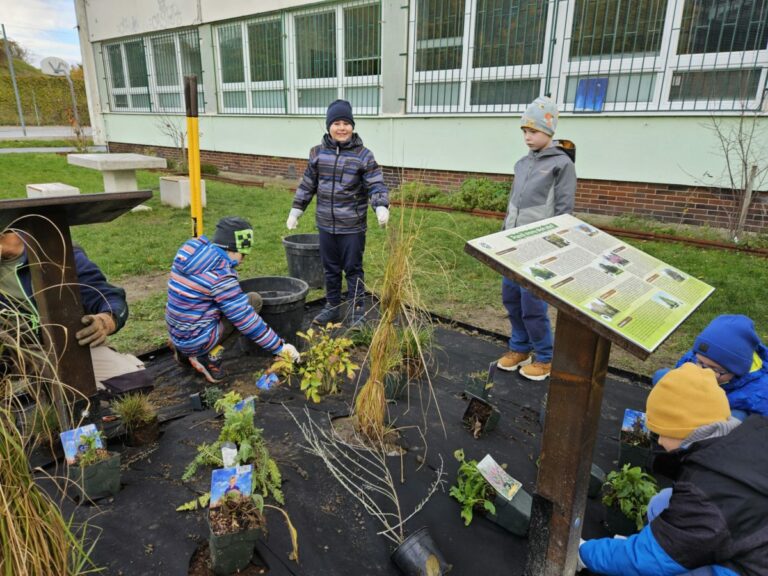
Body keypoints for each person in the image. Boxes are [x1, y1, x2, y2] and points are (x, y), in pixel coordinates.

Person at [579, 363, 768, 575]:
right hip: (752, 536)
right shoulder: (745, 434)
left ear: (681, 431)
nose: (659, 441)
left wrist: (584, 553)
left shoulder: (707, 490)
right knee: (662, 501)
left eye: (660, 432)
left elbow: (648, 559)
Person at [0, 230, 149, 393]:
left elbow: (105, 296)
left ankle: (51, 390)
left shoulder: (56, 252)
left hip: (65, 345)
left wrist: (105, 321)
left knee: (132, 383)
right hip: (11, 350)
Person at [286, 99, 389, 327]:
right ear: (328, 126)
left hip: (352, 227)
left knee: (353, 269)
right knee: (330, 269)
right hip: (325, 225)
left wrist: (380, 205)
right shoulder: (317, 153)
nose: (341, 128)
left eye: (346, 123)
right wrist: (296, 210)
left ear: (352, 126)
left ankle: (357, 311)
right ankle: (332, 307)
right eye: (336, 123)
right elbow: (307, 185)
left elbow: (376, 184)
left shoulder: (364, 155)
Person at [496, 96, 576, 381]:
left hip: (538, 249)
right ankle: (520, 347)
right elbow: (512, 205)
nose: (528, 137)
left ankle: (545, 356)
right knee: (512, 299)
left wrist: (554, 246)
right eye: (525, 131)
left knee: (533, 304)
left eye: (534, 131)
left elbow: (564, 210)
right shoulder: (521, 164)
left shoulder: (561, 165)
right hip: (512, 247)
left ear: (549, 131)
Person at [166, 216, 299, 383]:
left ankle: (184, 353)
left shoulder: (190, 250)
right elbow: (245, 319)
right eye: (243, 255)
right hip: (196, 339)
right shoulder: (220, 276)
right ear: (232, 249)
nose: (243, 260)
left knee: (226, 303)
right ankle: (206, 357)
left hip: (178, 331)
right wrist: (280, 347)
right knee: (252, 301)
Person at [653, 314, 768, 419]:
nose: (703, 371)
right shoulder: (698, 356)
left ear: (737, 371)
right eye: (700, 363)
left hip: (720, 415)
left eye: (714, 369)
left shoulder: (758, 392)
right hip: (698, 400)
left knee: (736, 417)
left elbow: (759, 428)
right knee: (662, 376)